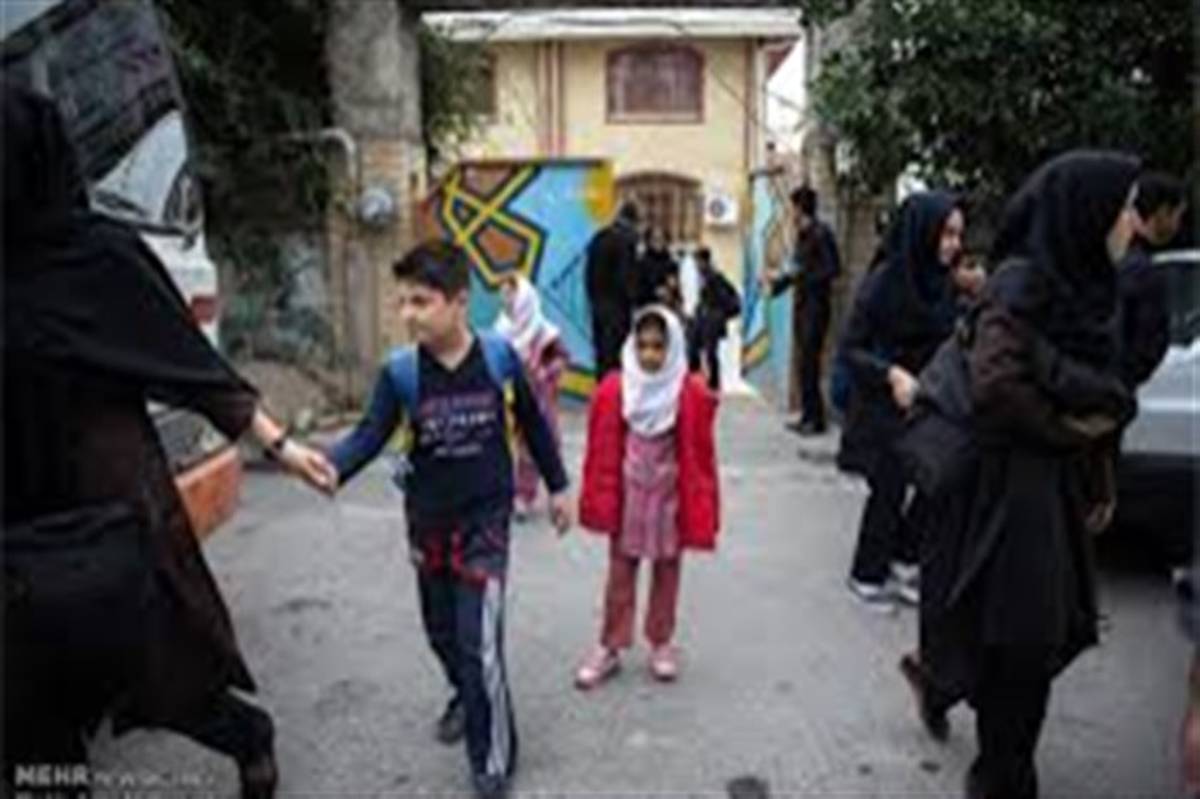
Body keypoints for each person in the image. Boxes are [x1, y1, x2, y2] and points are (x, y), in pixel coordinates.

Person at [3, 85, 336, 798]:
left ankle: (247, 737)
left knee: (159, 672)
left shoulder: (98, 257)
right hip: (14, 509)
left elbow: (189, 364)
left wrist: (280, 446)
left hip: (105, 504)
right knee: (29, 708)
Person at [326, 241, 572, 799]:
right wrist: (330, 467)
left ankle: (492, 761)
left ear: (460, 301)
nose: (408, 314)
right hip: (428, 525)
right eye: (403, 302)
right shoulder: (401, 373)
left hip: (486, 523)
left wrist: (559, 486)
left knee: (479, 643)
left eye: (421, 301)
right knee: (442, 632)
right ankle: (465, 694)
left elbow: (534, 425)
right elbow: (369, 435)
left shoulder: (500, 359)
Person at [948, 151, 1139, 798]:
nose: (1130, 223)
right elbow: (996, 386)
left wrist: (1100, 473)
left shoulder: (1083, 281)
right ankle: (1000, 776)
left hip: (1055, 485)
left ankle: (1002, 762)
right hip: (1017, 489)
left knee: (1036, 639)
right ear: (1084, 211)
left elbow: (1103, 391)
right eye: (1123, 209)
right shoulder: (1021, 279)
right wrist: (1068, 431)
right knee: (1022, 642)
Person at [574, 307, 720, 689]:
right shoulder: (618, 390)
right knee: (620, 573)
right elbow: (602, 448)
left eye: (658, 347)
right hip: (629, 501)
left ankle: (661, 642)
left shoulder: (685, 393)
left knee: (667, 573)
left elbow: (700, 454)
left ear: (673, 349)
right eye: (642, 346)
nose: (650, 355)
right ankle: (610, 645)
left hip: (669, 502)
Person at [837, 191, 965, 611]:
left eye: (957, 235)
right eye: (946, 234)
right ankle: (867, 575)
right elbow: (850, 350)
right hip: (881, 404)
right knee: (888, 491)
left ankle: (905, 559)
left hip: (927, 403)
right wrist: (891, 374)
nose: (954, 244)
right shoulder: (884, 282)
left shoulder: (943, 283)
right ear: (923, 232)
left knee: (935, 483)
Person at [494, 273, 570, 519]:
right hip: (510, 398)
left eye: (510, 295)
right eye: (503, 296)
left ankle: (535, 493)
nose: (506, 301)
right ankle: (515, 492)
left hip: (539, 400)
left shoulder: (543, 332)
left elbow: (562, 358)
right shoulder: (501, 330)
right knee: (511, 447)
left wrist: (544, 373)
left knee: (538, 445)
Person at [772, 187, 842, 435]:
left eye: (794, 208)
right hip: (803, 305)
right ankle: (807, 415)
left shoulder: (821, 234)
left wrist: (805, 275)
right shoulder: (802, 236)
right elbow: (796, 270)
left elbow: (833, 269)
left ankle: (816, 419)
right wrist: (778, 284)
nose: (791, 213)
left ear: (801, 208)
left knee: (810, 362)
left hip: (816, 306)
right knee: (803, 363)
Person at [1118, 171, 1187, 390]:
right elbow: (1149, 344)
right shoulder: (1144, 272)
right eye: (1177, 216)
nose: (1177, 225)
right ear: (1163, 212)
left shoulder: (1115, 259)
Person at [586, 202, 641, 376]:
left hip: (598, 304)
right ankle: (615, 388)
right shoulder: (627, 239)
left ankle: (602, 385)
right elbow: (627, 275)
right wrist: (634, 299)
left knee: (601, 351)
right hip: (618, 306)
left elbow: (588, 273)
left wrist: (593, 298)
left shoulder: (599, 237)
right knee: (617, 352)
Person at [688, 246, 742, 391]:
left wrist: (716, 313)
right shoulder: (703, 276)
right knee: (695, 349)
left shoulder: (714, 277)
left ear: (704, 261)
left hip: (711, 320)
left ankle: (713, 383)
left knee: (709, 351)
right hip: (703, 318)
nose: (697, 265)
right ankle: (698, 381)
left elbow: (723, 298)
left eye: (698, 261)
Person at [635, 226, 682, 310]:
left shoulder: (671, 263)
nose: (658, 242)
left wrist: (674, 288)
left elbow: (677, 290)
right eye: (654, 239)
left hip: (667, 307)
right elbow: (636, 290)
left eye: (661, 239)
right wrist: (654, 292)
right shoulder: (641, 263)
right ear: (648, 241)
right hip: (647, 308)